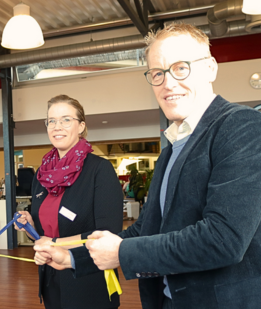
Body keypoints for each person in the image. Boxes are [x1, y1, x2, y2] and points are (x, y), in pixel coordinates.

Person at [34, 23, 261, 309]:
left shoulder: (240, 126)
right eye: (157, 73)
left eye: (181, 68)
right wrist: (72, 258)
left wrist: (122, 253)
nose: (168, 83)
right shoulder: (172, 147)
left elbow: (223, 239)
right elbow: (147, 229)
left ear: (210, 69)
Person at [15, 94, 123, 309]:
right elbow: (44, 233)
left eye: (66, 119)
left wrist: (54, 243)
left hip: (87, 278)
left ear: (81, 126)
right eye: (51, 121)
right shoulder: (41, 175)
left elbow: (108, 233)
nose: (57, 126)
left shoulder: (98, 170)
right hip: (50, 277)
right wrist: (29, 224)